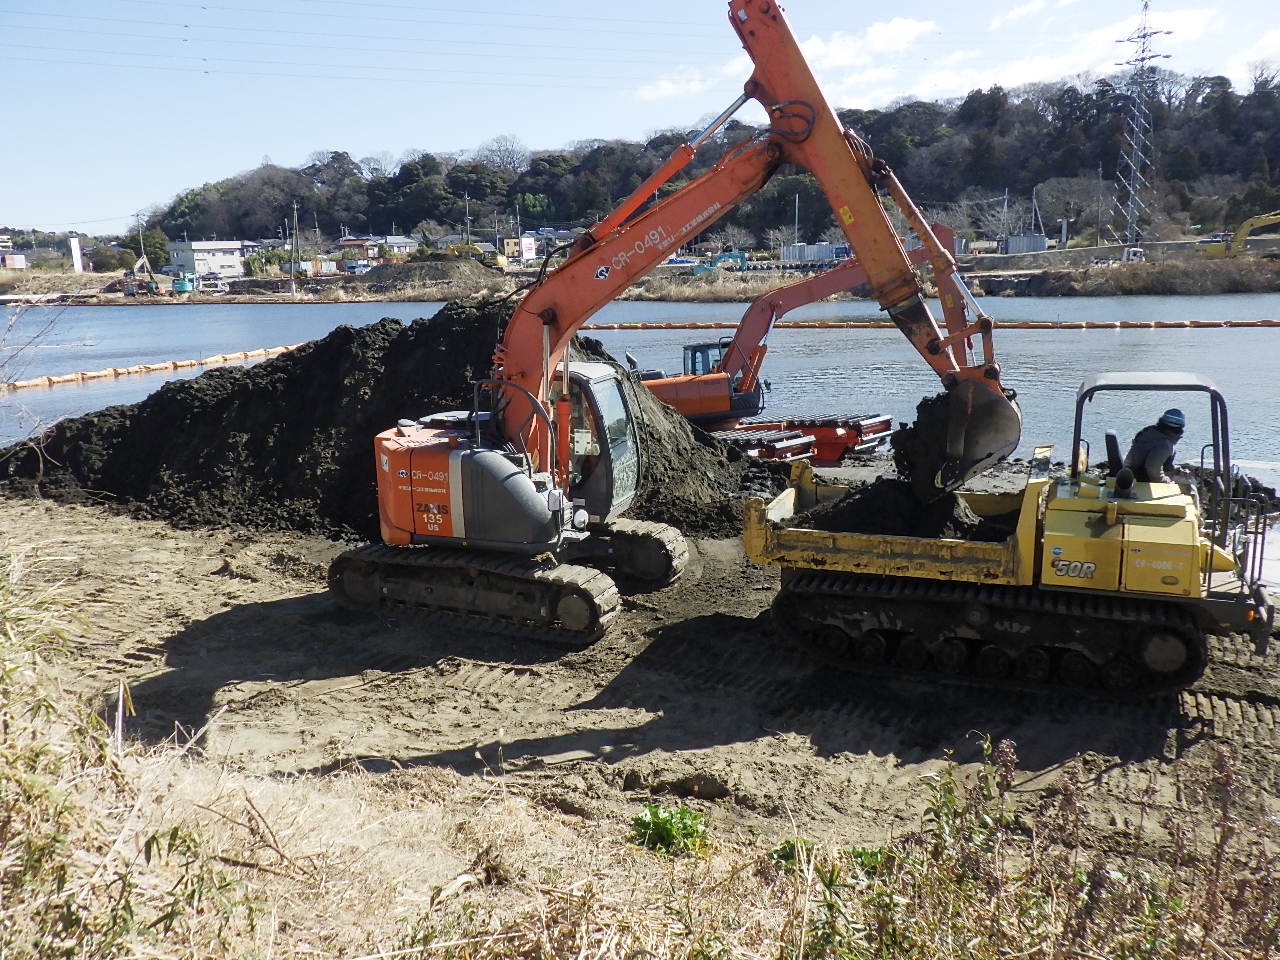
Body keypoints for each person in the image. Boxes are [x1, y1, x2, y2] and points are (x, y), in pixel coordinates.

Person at [1123, 408, 1185, 482]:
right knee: (1189, 482)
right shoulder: (1165, 444)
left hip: (1128, 475)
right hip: (1143, 482)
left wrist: (1175, 469)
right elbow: (1152, 467)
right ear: (1180, 428)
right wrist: (1164, 480)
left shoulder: (1148, 433)